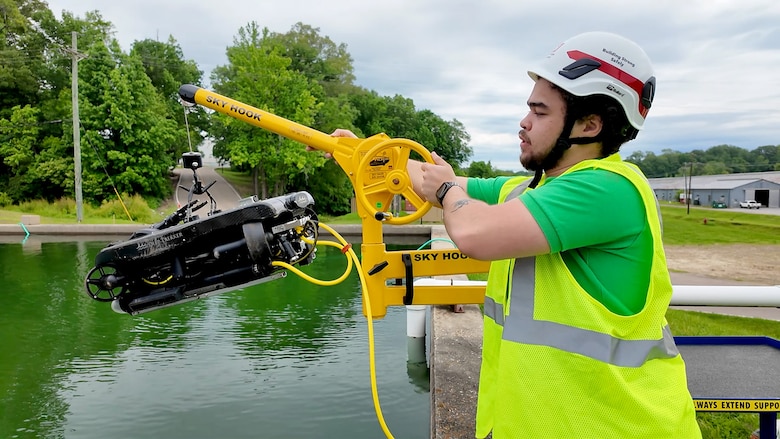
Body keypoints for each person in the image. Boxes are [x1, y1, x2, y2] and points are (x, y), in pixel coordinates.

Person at [329, 31, 702, 438]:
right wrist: (364, 153)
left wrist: (445, 190)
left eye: (540, 113)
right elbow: (426, 179)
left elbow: (472, 229)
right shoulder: (535, 192)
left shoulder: (607, 189)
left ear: (589, 124)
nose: (524, 123)